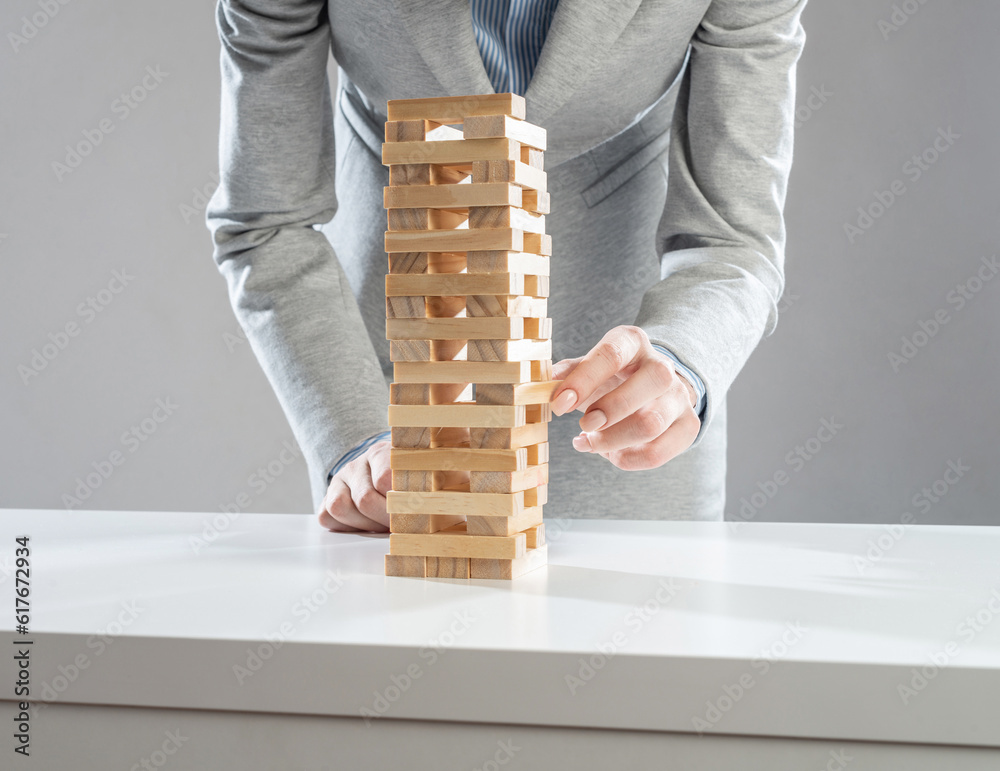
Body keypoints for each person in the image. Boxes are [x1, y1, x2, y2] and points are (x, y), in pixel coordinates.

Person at [206, 0, 808, 532]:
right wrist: (355, 437)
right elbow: (266, 220)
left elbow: (732, 237)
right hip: (387, 376)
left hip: (629, 389)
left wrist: (681, 360)